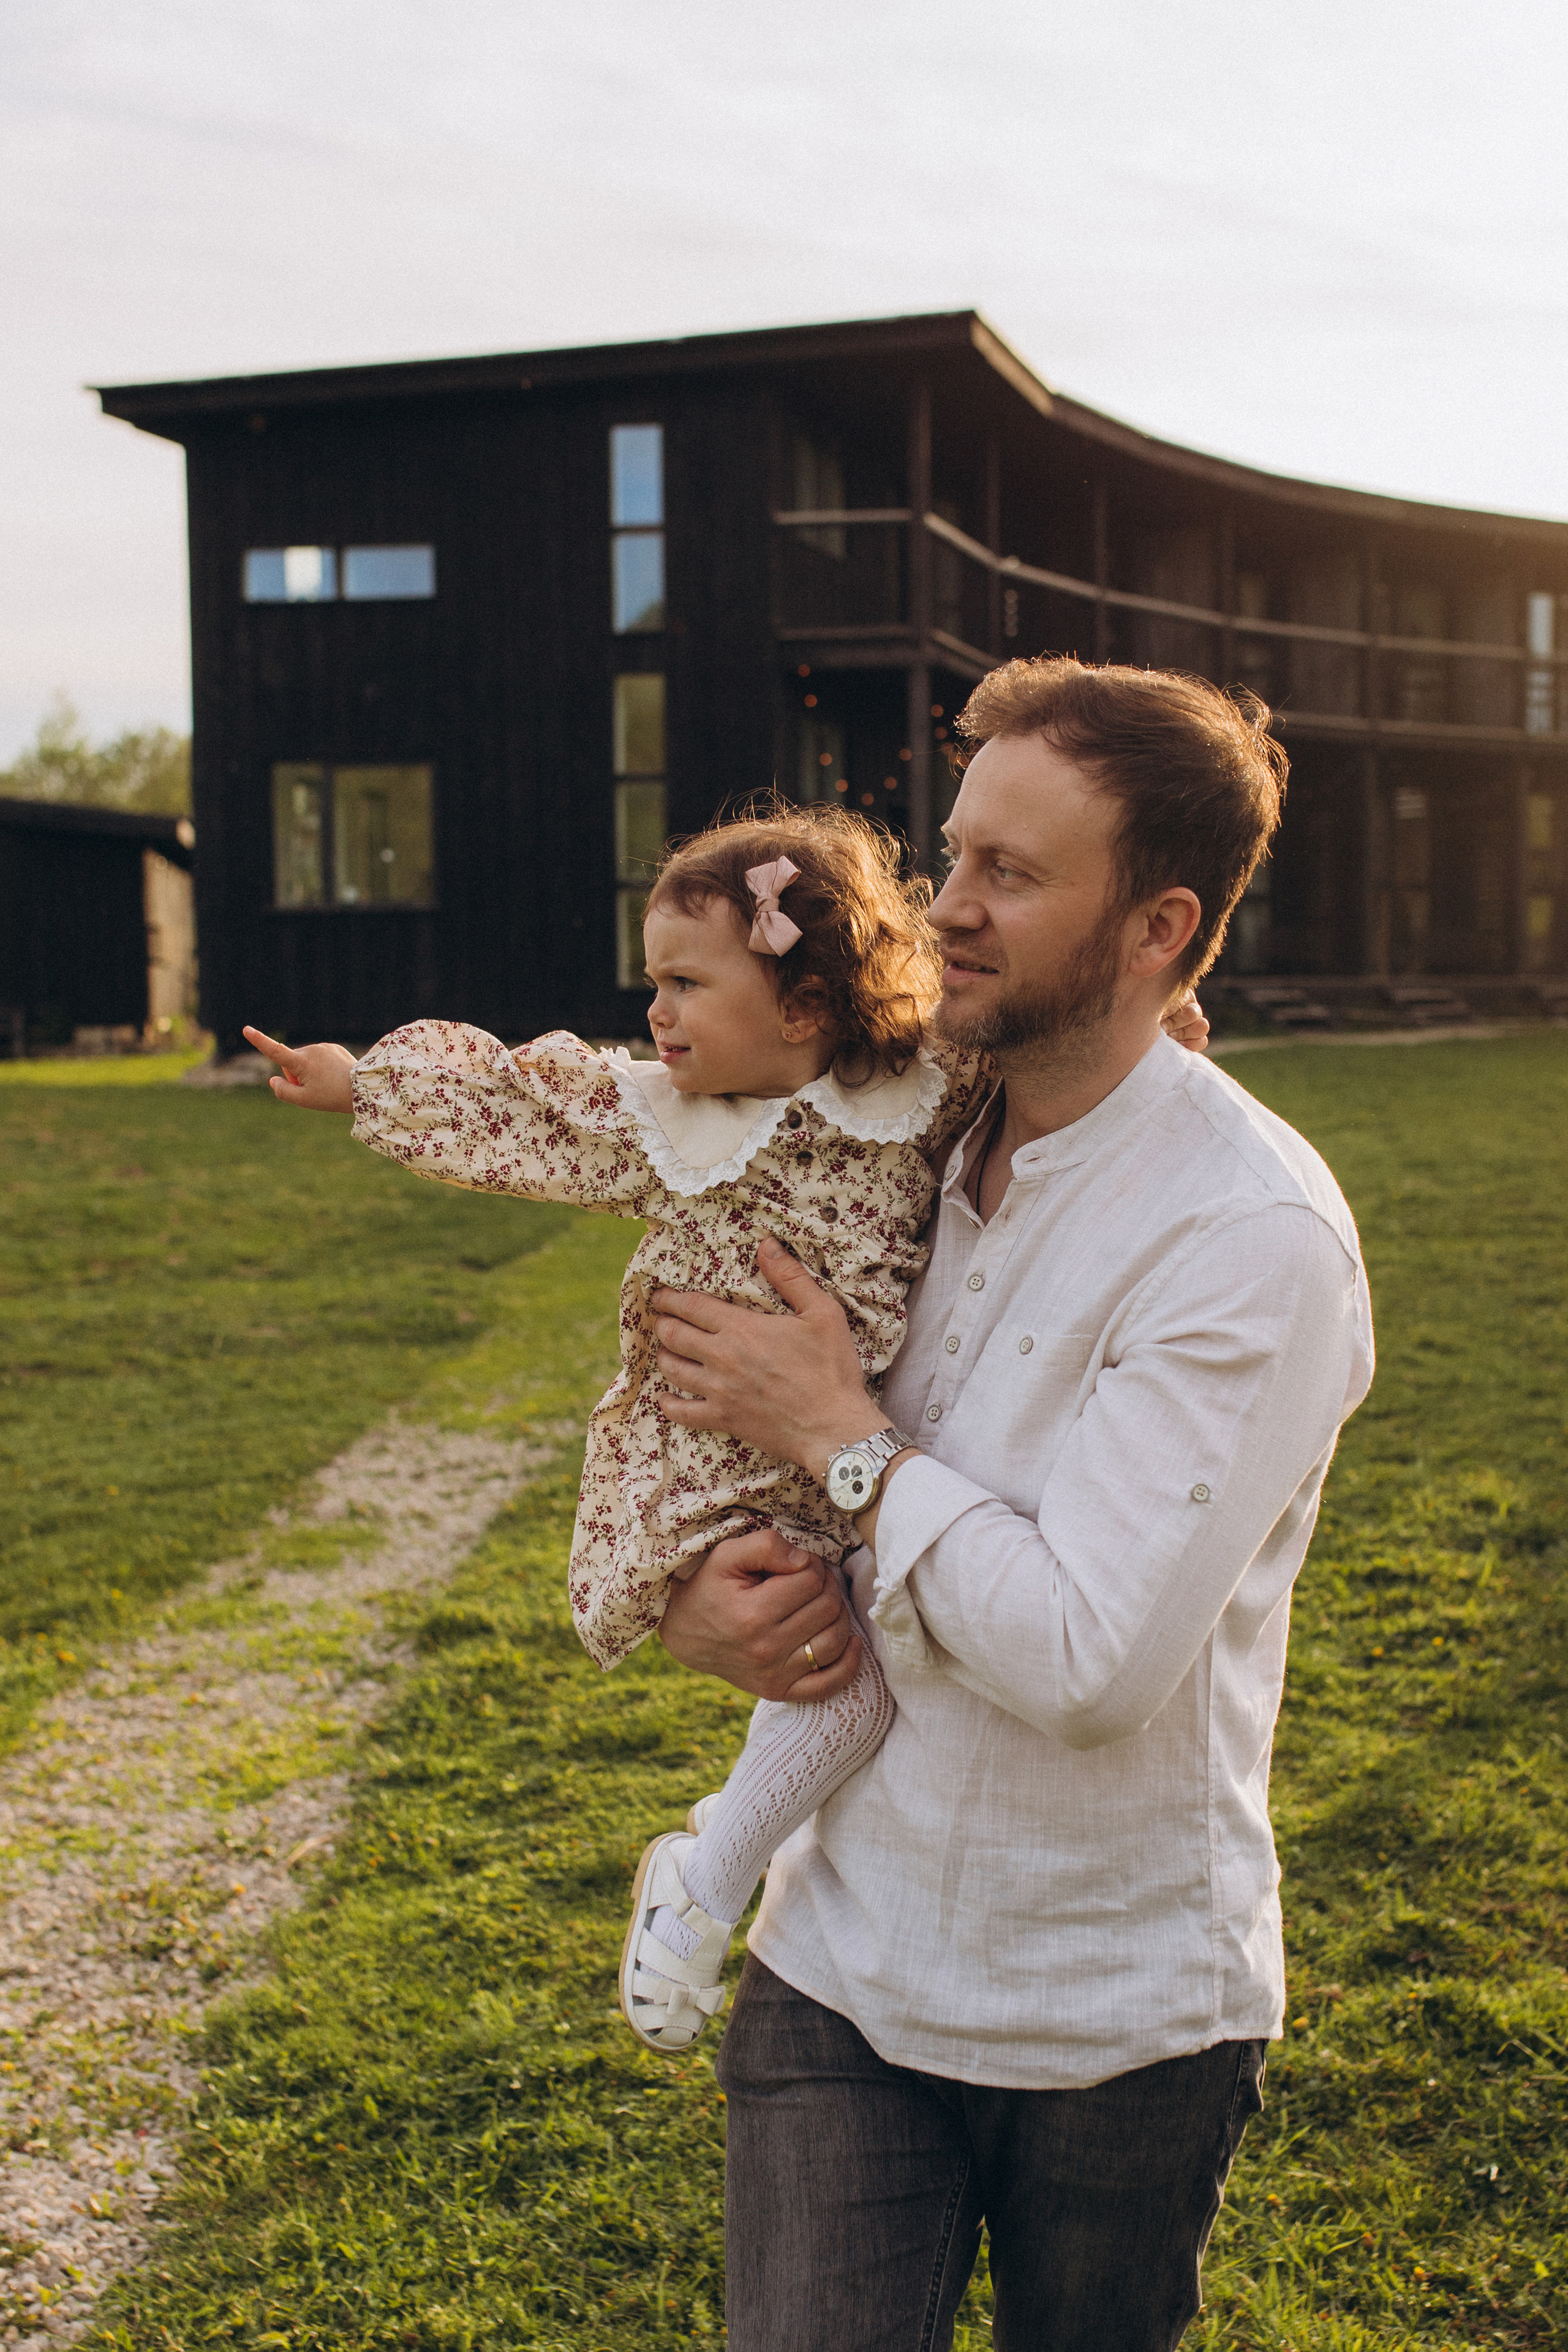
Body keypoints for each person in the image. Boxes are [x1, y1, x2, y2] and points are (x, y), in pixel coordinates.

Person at [647, 658, 1376, 2352]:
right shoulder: (907, 1126)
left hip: (1113, 2022)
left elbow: (1085, 1660)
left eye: (1012, 877)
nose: (944, 911)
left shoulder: (1249, 1238)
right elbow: (705, 1415)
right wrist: (693, 1596)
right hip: (838, 1964)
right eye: (951, 856)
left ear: (1157, 931)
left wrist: (840, 1436)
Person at [239, 806, 1208, 2060]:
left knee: (858, 1680)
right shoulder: (662, 1121)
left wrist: (1164, 1030)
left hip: (838, 1449)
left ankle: (706, 1872)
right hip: (707, 1460)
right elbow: (521, 1109)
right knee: (842, 1689)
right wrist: (363, 1078)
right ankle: (707, 1883)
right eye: (653, 981)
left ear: (804, 1005)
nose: (655, 1011)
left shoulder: (923, 1095)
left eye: (686, 981)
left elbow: (1069, 1051)